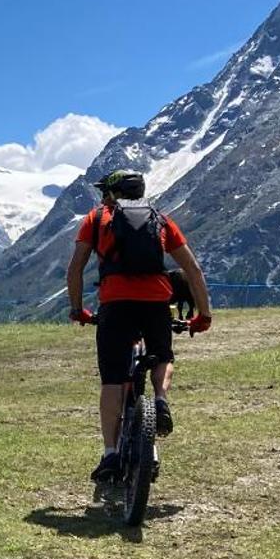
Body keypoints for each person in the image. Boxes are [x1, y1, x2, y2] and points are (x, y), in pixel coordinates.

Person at [66, 170, 213, 482]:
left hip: (115, 304)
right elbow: (192, 269)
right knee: (162, 356)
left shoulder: (96, 219)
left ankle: (110, 454)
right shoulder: (160, 219)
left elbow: (75, 267)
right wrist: (204, 315)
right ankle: (160, 399)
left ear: (112, 193)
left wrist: (78, 310)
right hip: (155, 302)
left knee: (112, 379)